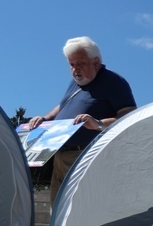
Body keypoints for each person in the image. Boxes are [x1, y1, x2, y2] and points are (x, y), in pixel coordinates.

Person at [29, 37, 136, 204]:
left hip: (85, 154)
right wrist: (47, 118)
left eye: (80, 64)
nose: (75, 70)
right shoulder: (76, 84)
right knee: (57, 209)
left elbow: (129, 115)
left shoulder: (114, 82)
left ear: (96, 62)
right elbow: (63, 105)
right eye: (72, 65)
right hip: (60, 153)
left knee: (79, 207)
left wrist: (99, 124)